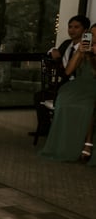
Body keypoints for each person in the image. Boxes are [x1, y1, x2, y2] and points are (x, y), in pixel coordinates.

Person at [40, 23, 96, 163]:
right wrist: (80, 52)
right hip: (78, 84)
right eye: (92, 34)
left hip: (93, 85)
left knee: (87, 105)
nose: (93, 38)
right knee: (64, 101)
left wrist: (93, 55)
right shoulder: (83, 50)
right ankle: (65, 144)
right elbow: (68, 71)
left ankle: (88, 143)